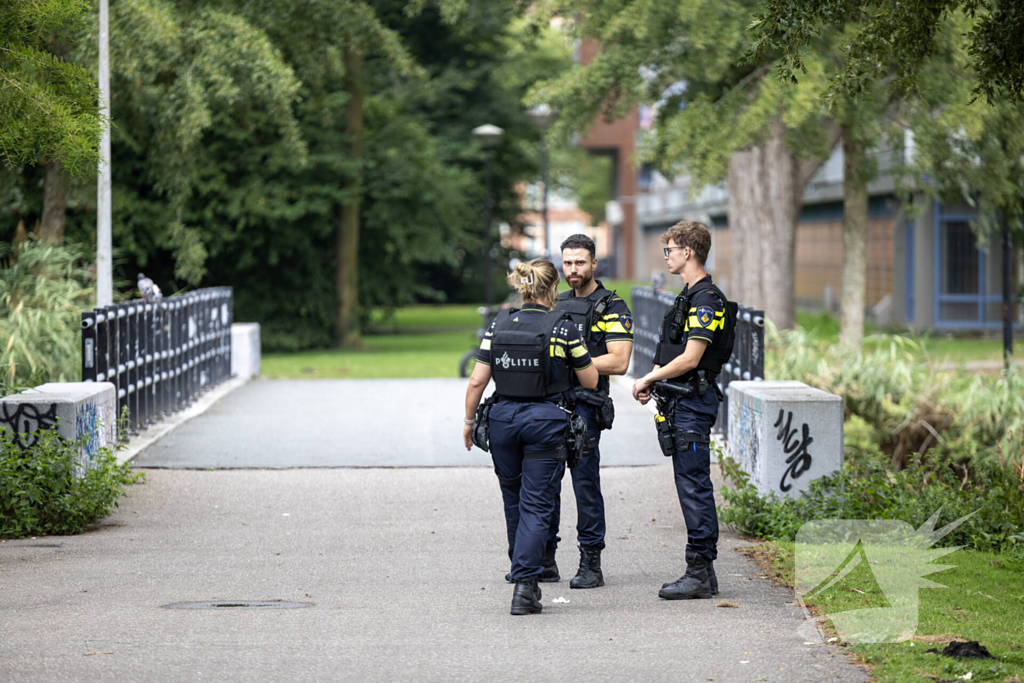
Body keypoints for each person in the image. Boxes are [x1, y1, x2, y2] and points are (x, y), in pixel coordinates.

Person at [463, 259, 599, 615]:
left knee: (513, 498)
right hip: (545, 421)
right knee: (537, 503)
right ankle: (525, 586)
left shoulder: (500, 323)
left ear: (523, 288)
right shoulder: (564, 328)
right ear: (553, 289)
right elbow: (591, 381)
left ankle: (519, 569)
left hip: (502, 420)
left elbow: (477, 380)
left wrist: (468, 421)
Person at [631, 221, 734, 600]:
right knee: (689, 484)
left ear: (687, 252)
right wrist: (657, 383)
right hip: (682, 402)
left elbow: (692, 358)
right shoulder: (689, 295)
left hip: (693, 403)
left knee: (694, 487)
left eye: (670, 250)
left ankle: (699, 572)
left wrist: (647, 377)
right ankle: (703, 573)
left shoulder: (707, 299)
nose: (667, 256)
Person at [544, 234, 633, 589]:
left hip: (586, 406)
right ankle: (545, 559)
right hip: (550, 405)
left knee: (585, 485)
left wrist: (572, 363)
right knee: (544, 484)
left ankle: (591, 563)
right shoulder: (556, 302)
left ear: (595, 263)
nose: (573, 269)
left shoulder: (611, 305)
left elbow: (620, 360)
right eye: (567, 263)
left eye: (580, 262)